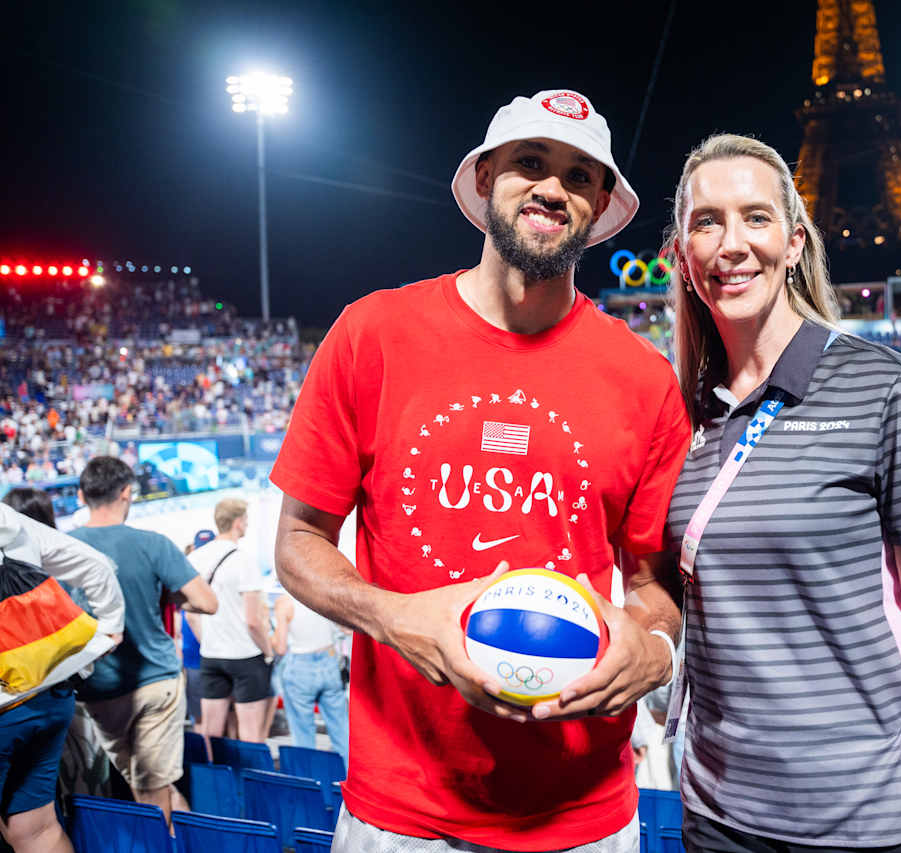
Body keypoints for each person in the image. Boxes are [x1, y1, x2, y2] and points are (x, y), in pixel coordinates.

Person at [270, 89, 690, 851]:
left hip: (583, 813)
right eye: (531, 163)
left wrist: (653, 645)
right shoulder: (372, 334)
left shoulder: (645, 378)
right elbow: (297, 542)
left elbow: (655, 581)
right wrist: (394, 617)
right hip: (401, 809)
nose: (552, 188)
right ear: (488, 175)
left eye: (578, 176)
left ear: (598, 204)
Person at [663, 134, 901, 851]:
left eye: (756, 217)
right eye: (706, 221)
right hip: (715, 815)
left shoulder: (887, 389)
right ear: (682, 254)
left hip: (858, 820)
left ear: (796, 241)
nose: (731, 243)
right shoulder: (681, 409)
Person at [68, 456, 218, 824]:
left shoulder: (61, 549)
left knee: (146, 785)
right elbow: (206, 602)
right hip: (154, 682)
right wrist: (164, 595)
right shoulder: (153, 544)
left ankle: (180, 839)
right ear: (126, 492)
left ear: (80, 495)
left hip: (95, 688)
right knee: (151, 788)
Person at [0, 497, 123, 853]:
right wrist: (112, 628)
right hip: (48, 693)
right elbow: (97, 566)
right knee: (36, 830)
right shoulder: (9, 519)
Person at [188, 498, 273, 742]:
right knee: (251, 735)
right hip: (246, 656)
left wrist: (210, 641)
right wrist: (268, 653)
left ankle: (217, 779)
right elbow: (253, 621)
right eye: (246, 519)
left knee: (211, 734)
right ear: (237, 522)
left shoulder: (196, 558)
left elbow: (192, 615)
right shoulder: (244, 561)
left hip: (211, 655)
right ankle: (251, 781)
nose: (247, 524)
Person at [271, 591, 349, 764]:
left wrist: (269, 636)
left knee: (303, 733)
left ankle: (309, 783)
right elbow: (346, 629)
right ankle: (349, 780)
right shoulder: (324, 596)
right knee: (341, 729)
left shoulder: (284, 602)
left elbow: (281, 647)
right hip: (329, 661)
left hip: (300, 667)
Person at [179, 528, 217, 731]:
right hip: (199, 654)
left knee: (208, 716)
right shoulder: (187, 579)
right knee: (204, 717)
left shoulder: (189, 578)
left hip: (202, 655)